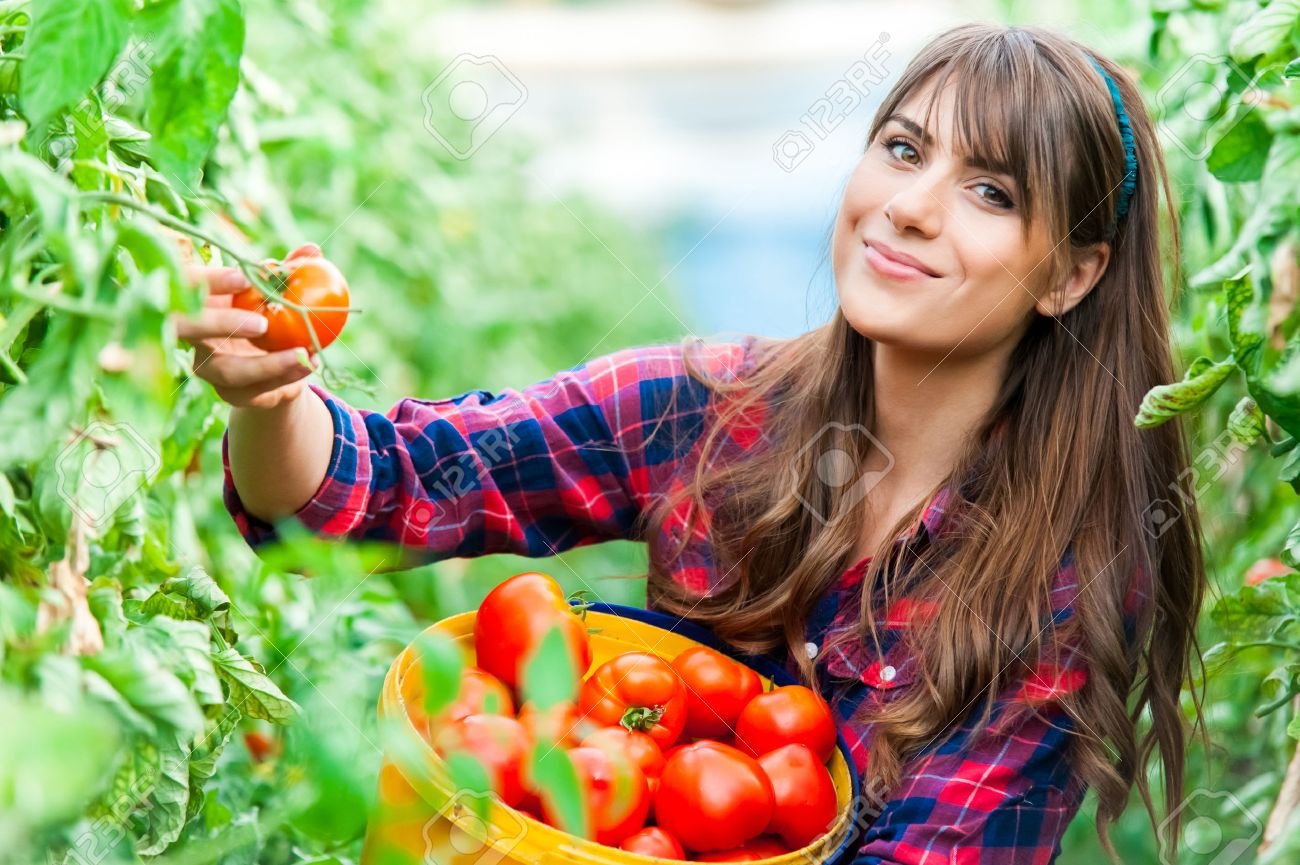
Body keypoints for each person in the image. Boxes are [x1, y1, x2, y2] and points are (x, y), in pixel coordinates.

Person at [177, 22, 1204, 865]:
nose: (911, 208)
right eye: (902, 148)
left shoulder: (1062, 571)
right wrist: (274, 393)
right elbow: (373, 492)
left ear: (1070, 276)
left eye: (991, 192)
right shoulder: (709, 406)